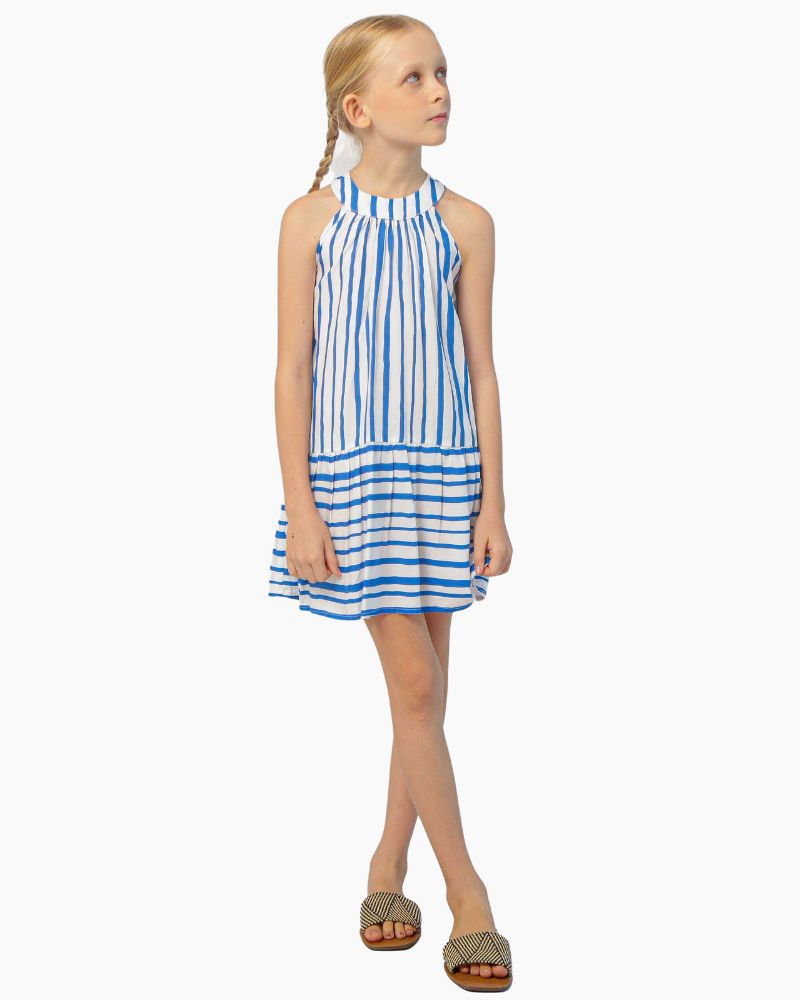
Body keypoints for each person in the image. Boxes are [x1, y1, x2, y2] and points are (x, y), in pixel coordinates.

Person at [268, 14, 514, 992]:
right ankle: (469, 895)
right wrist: (301, 505)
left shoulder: (467, 224)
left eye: (441, 71)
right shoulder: (309, 221)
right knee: (415, 687)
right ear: (358, 108)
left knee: (425, 698)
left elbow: (482, 371)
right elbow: (292, 371)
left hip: (444, 480)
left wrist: (494, 504)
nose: (440, 90)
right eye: (414, 77)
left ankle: (385, 866)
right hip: (353, 485)